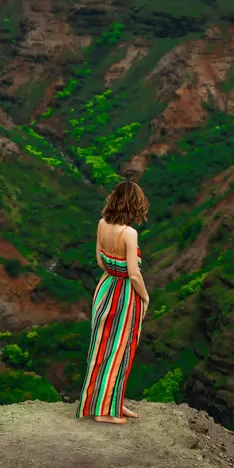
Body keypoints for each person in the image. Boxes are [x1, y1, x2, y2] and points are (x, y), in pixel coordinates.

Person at [77, 180, 150, 424]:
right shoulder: (129, 233)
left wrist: (112, 270)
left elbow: (99, 260)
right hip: (124, 295)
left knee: (101, 348)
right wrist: (145, 296)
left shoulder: (102, 224)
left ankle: (113, 403)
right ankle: (103, 412)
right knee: (120, 348)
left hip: (105, 287)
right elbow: (134, 274)